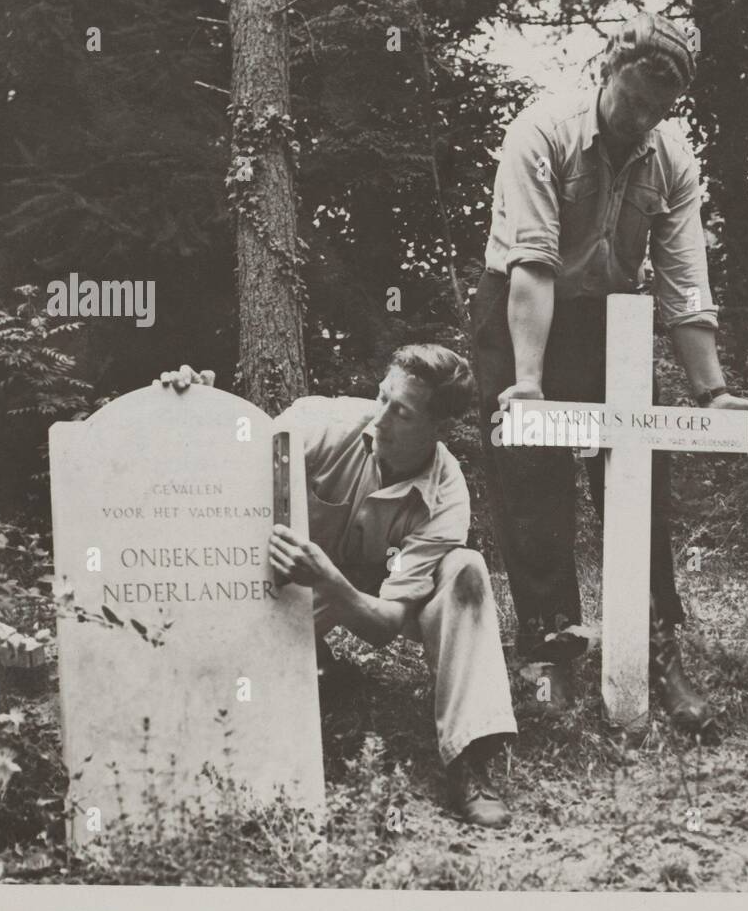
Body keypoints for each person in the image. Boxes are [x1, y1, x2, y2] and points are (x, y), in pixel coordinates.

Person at [471, 11, 748, 738]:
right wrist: (530, 384)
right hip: (518, 309)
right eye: (632, 102)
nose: (641, 120)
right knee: (529, 469)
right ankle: (550, 645)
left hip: (609, 316)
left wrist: (713, 388)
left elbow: (684, 283)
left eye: (658, 111)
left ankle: (658, 646)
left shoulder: (672, 160)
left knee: (640, 471)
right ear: (607, 71)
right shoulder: (541, 133)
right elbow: (533, 265)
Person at [158, 348, 519, 828]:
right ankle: (313, 666)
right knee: (221, 693)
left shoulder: (448, 493)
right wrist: (200, 412)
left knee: (466, 570)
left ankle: (468, 755)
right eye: (381, 397)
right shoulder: (321, 422)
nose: (380, 419)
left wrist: (329, 579)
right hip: (288, 584)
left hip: (363, 592)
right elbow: (229, 472)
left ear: (438, 427)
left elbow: (386, 625)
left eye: (402, 412)